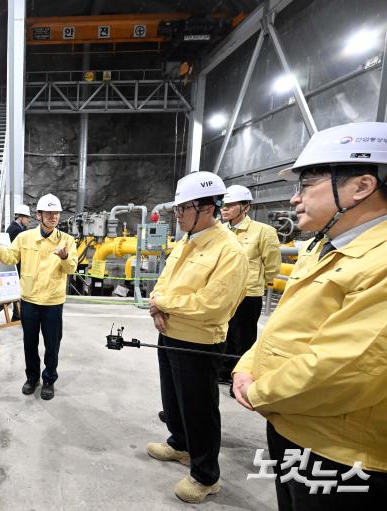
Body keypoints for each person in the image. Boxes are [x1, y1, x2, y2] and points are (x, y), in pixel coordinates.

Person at [232, 121, 387, 509]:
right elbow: (280, 327)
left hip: (341, 449)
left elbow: (346, 367)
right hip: (293, 423)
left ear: (361, 186)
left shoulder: (381, 261)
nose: (294, 199)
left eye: (306, 185)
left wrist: (259, 391)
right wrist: (246, 365)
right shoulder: (323, 247)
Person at [146, 171, 248, 504]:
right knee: (173, 399)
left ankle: (206, 476)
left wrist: (164, 303)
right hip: (169, 334)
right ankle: (180, 445)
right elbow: (164, 282)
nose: (177, 216)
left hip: (199, 342)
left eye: (182, 209)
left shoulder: (229, 251)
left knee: (200, 409)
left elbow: (213, 306)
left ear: (207, 208)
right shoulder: (187, 241)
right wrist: (158, 307)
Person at [0, 193, 77, 400]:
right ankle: (32, 377)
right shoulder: (24, 237)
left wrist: (64, 257)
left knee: (52, 344)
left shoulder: (67, 241)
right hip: (29, 300)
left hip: (53, 302)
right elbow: (11, 257)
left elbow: (71, 267)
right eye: (49, 213)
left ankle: (49, 379)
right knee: (29, 342)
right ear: (39, 215)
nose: (53, 216)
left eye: (56, 213)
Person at [217, 185, 280, 388]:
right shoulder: (220, 231)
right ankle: (224, 371)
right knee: (224, 333)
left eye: (229, 205)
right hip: (224, 292)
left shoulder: (263, 231)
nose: (224, 209)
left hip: (249, 293)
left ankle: (241, 377)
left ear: (245, 206)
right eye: (222, 205)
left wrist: (264, 282)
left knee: (243, 338)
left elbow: (272, 264)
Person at [6, 204, 32, 320]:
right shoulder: (15, 230)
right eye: (27, 217)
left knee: (16, 291)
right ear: (21, 218)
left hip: (16, 264)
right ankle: (15, 316)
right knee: (11, 292)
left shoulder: (18, 228)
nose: (29, 220)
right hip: (15, 265)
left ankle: (17, 316)